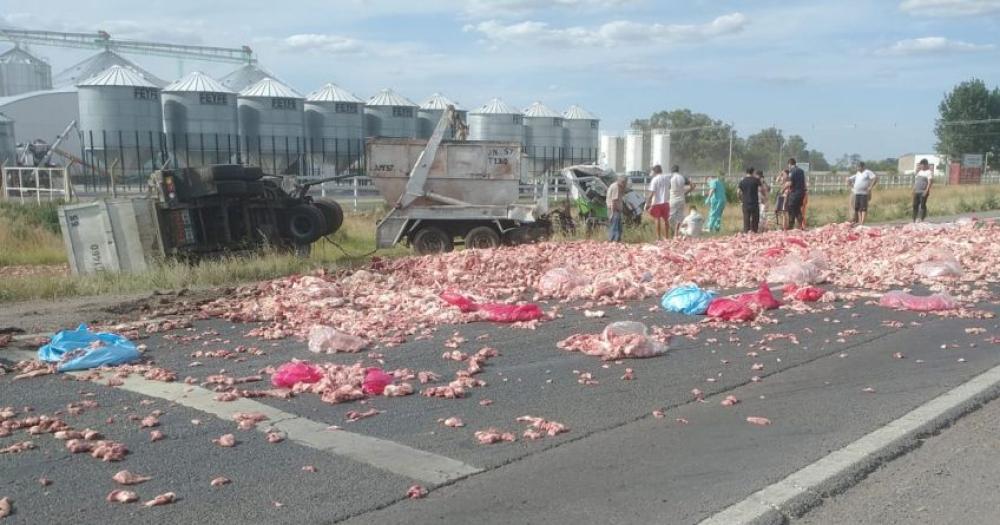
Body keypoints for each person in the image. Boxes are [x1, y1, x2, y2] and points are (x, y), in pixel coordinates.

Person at [645, 165, 671, 240]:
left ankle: (658, 237)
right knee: (666, 219)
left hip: (656, 202)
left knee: (657, 219)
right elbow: (669, 187)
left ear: (655, 171)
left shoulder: (655, 180)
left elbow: (652, 192)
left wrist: (648, 202)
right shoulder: (666, 178)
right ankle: (667, 236)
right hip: (665, 201)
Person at [668, 165, 694, 238]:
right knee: (679, 217)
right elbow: (692, 186)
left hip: (673, 200)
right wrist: (686, 193)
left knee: (669, 217)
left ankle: (672, 231)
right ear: (678, 170)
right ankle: (676, 233)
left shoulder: (670, 177)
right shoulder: (682, 177)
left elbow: (667, 188)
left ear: (672, 171)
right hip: (682, 199)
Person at [784, 158, 807, 230]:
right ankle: (800, 226)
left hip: (794, 193)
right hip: (801, 193)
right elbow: (804, 182)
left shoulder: (792, 171)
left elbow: (790, 183)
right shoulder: (801, 171)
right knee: (797, 209)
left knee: (791, 208)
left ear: (790, 164)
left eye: (788, 165)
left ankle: (790, 226)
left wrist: (782, 189)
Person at [738, 168, 762, 233]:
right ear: (753, 172)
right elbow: (760, 189)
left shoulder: (742, 181)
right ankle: (754, 232)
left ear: (746, 172)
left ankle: (746, 232)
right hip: (754, 203)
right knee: (755, 220)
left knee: (746, 220)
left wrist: (740, 199)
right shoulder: (756, 180)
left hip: (745, 203)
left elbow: (738, 192)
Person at [606, 174, 627, 242]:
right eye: (624, 183)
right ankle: (613, 241)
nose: (625, 184)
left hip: (616, 210)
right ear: (621, 181)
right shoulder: (616, 187)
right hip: (614, 210)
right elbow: (614, 201)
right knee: (615, 227)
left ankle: (616, 241)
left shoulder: (616, 186)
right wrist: (613, 213)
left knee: (617, 227)